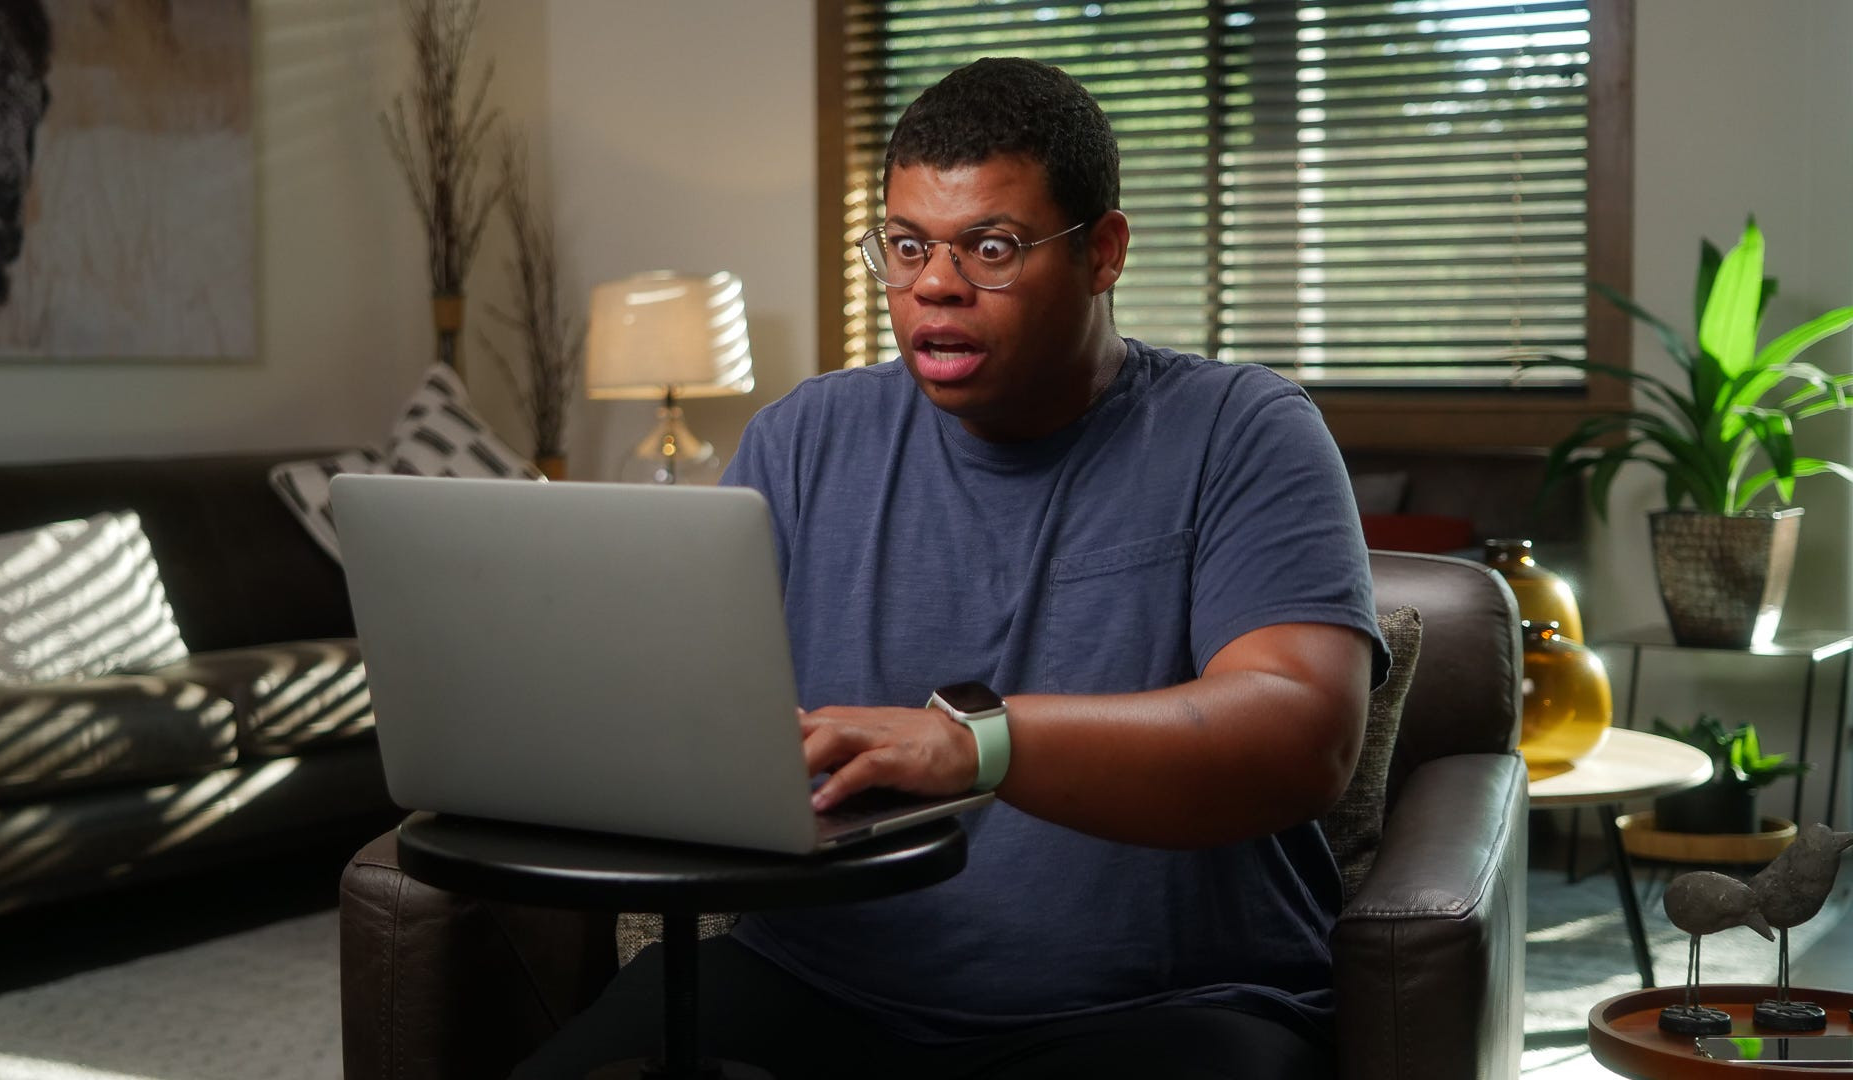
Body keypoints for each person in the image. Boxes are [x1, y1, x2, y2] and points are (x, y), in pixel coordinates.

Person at [516, 56, 1385, 1080]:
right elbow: (698, 719)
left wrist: (973, 745)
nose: (934, 283)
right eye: (906, 244)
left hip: (1166, 1008)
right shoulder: (802, 440)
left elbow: (1302, 737)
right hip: (819, 980)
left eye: (992, 247)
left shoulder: (1243, 431)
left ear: (1103, 253)